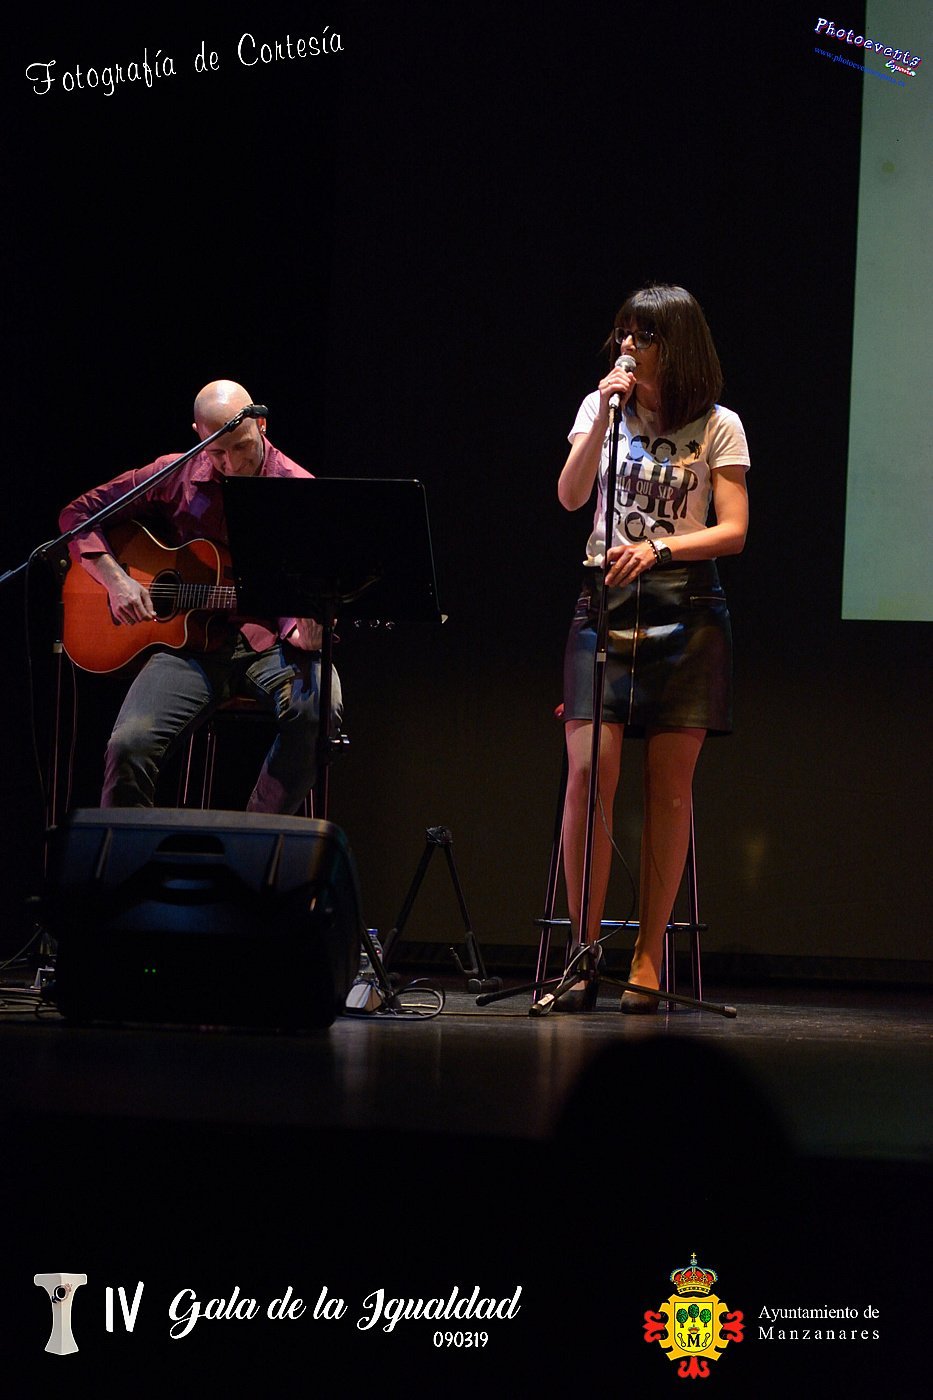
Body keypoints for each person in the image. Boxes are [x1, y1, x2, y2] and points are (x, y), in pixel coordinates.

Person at [542, 284, 749, 1014]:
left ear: (677, 345)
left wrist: (660, 548)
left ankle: (648, 954)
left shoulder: (718, 424)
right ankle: (583, 949)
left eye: (644, 336)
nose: (627, 346)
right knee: (587, 775)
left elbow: (732, 530)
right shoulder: (599, 409)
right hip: (602, 606)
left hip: (685, 611)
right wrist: (602, 417)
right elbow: (570, 497)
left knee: (667, 790)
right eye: (624, 333)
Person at [58, 379, 340, 813]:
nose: (232, 463)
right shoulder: (178, 472)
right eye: (217, 452)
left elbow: (319, 583)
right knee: (129, 744)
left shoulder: (299, 489)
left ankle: (254, 839)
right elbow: (78, 514)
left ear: (261, 425)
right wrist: (115, 580)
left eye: (242, 447)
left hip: (270, 645)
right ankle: (126, 851)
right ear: (199, 435)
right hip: (189, 648)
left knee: (320, 709)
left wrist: (307, 625)